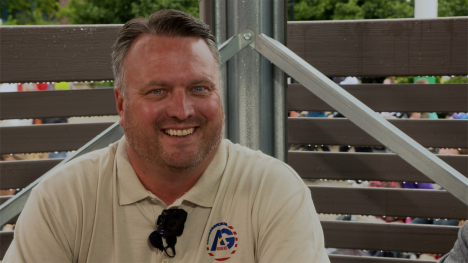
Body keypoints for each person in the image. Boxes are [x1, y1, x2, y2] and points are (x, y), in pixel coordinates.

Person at [3, 9, 329, 263]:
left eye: (199, 88)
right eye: (158, 91)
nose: (182, 110)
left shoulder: (274, 191)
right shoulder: (64, 198)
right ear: (121, 103)